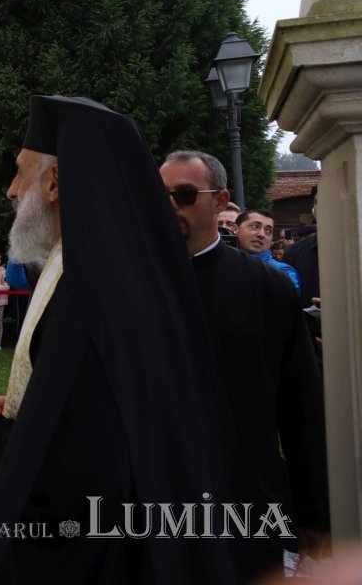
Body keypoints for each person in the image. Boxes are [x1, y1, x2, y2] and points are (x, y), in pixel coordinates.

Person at [0, 96, 237, 584]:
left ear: (56, 183)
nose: (10, 190)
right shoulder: (76, 267)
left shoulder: (95, 292)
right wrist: (17, 411)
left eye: (21, 173)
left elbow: (90, 467)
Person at [160, 151, 330, 579]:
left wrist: (313, 515)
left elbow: (299, 405)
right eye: (159, 194)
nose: (169, 205)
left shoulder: (266, 288)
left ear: (221, 202)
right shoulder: (135, 284)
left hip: (245, 493)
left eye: (182, 195)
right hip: (152, 492)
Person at [237, 208, 301, 293]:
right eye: (255, 226)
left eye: (268, 231)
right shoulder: (219, 263)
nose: (262, 235)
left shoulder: (283, 273)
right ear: (235, 229)